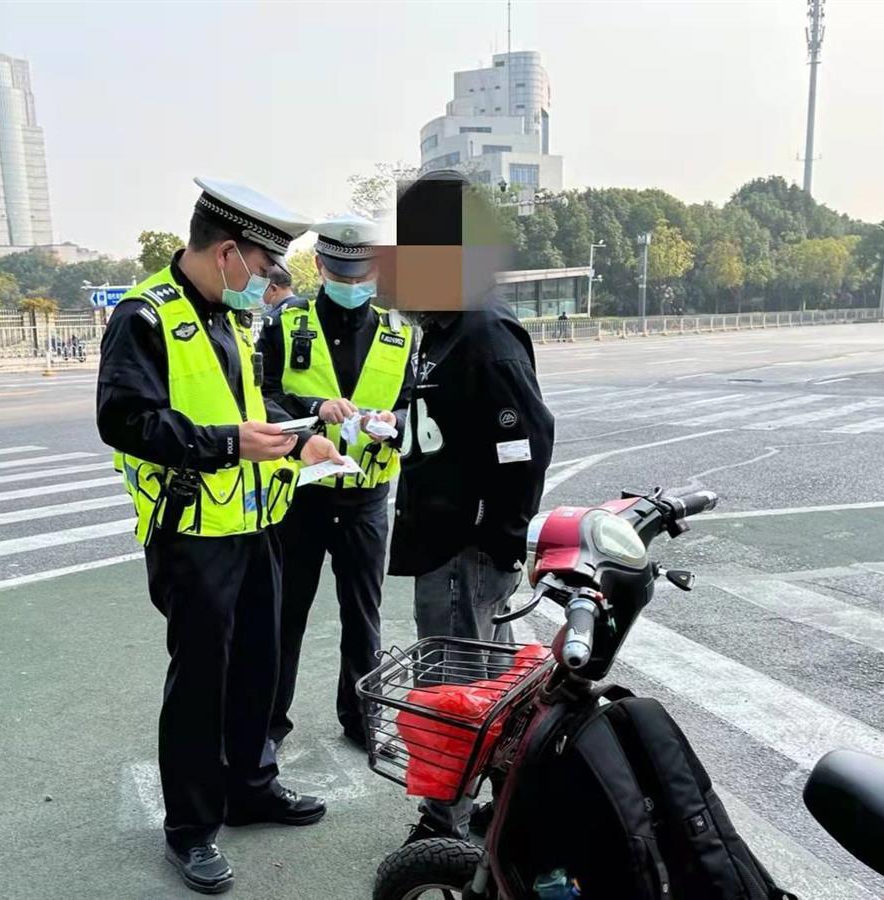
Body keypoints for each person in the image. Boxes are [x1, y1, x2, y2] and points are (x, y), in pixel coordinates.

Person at [96, 177, 342, 895]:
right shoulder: (145, 316)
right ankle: (191, 827)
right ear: (229, 252)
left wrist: (298, 438)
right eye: (264, 267)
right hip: (191, 534)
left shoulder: (229, 317)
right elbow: (125, 419)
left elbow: (248, 404)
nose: (266, 283)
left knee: (259, 664)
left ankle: (251, 789)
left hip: (254, 522)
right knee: (202, 682)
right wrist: (228, 444)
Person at [384, 170, 556, 843]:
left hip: (466, 546)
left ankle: (443, 825)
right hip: (442, 539)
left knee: (454, 686)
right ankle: (509, 805)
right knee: (491, 682)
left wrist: (500, 537)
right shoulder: (444, 326)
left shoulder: (482, 330)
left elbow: (524, 442)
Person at [257, 214, 415, 752]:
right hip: (300, 494)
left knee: (363, 617)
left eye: (362, 276)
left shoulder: (399, 333)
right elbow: (261, 397)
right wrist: (312, 412)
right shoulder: (285, 323)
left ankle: (363, 718)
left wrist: (394, 423)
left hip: (366, 497)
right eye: (342, 275)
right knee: (284, 615)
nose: (352, 285)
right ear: (320, 267)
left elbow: (415, 407)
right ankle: (268, 725)